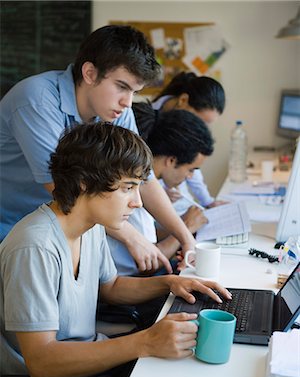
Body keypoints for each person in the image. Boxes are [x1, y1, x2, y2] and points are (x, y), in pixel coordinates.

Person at [0, 122, 231, 377]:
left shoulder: (91, 225)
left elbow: (111, 288)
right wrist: (145, 342)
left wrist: (170, 283)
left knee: (179, 374)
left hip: (84, 367)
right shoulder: (34, 246)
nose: (137, 202)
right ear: (83, 182)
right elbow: (41, 363)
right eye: (127, 188)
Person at [0, 24, 196, 274]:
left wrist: (185, 237)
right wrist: (134, 239)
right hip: (16, 229)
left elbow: (142, 177)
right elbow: (64, 190)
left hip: (67, 223)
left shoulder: (116, 111)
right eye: (122, 87)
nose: (127, 102)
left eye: (135, 92)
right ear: (90, 73)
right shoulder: (36, 101)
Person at [108, 104, 213, 276]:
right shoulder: (135, 192)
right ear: (171, 160)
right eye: (191, 169)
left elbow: (148, 236)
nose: (190, 177)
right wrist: (186, 227)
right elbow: (150, 264)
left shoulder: (151, 188)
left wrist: (180, 227)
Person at [149, 72, 227, 213]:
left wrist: (208, 202)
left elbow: (190, 164)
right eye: (200, 120)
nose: (200, 127)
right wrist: (155, 192)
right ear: (183, 100)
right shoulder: (145, 121)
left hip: (176, 206)